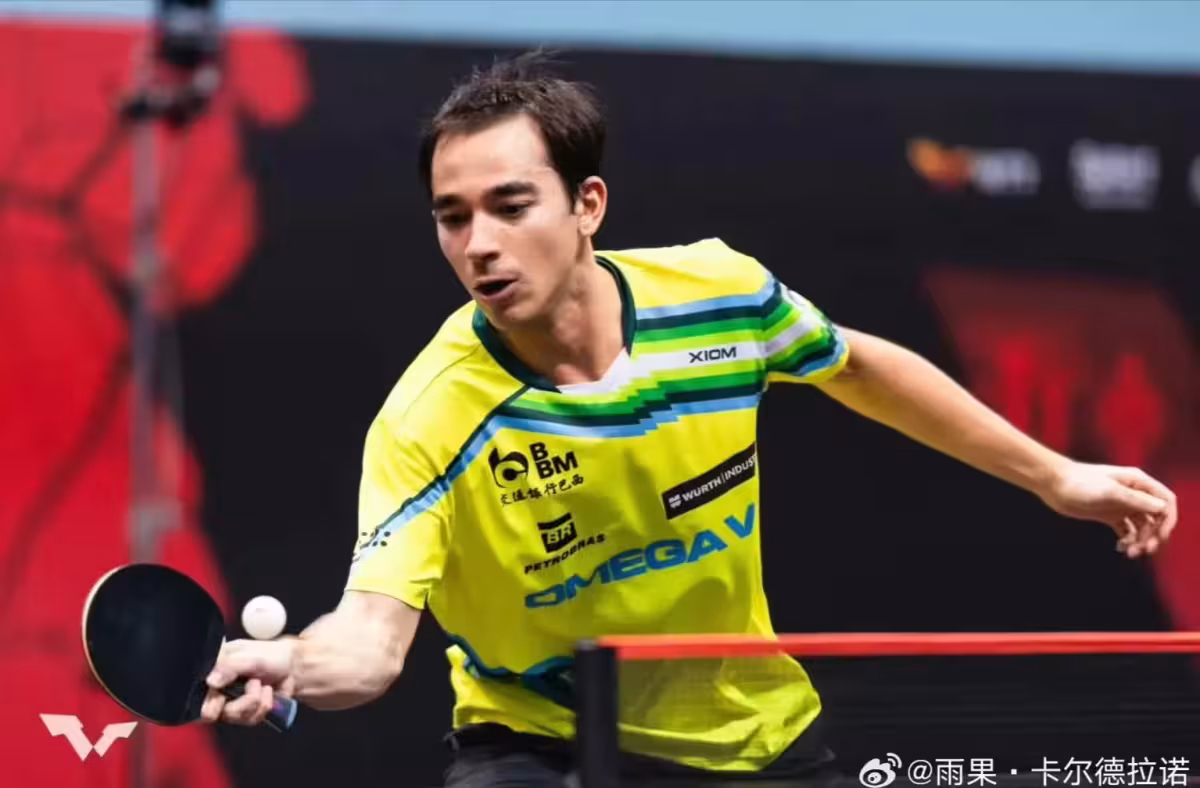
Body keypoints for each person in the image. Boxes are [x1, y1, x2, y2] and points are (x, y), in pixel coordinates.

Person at [200, 51, 1179, 786]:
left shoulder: (717, 296)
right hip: (542, 743)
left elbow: (857, 367)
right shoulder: (432, 416)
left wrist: (1056, 474)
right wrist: (294, 661)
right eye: (453, 216)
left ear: (587, 204)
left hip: (752, 731)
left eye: (510, 205)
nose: (479, 244)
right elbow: (370, 642)